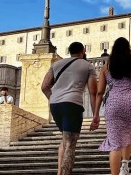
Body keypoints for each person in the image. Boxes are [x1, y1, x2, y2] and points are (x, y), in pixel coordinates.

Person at [90, 37, 131, 175]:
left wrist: (95, 114)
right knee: (129, 134)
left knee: (115, 143)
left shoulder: (106, 68)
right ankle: (124, 165)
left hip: (114, 104)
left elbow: (100, 92)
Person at [41, 42, 97, 175]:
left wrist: (53, 98)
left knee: (65, 139)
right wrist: (95, 114)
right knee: (70, 144)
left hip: (55, 105)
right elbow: (92, 92)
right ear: (83, 50)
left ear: (69, 51)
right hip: (72, 104)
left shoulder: (56, 64)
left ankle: (59, 173)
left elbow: (44, 86)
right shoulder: (88, 66)